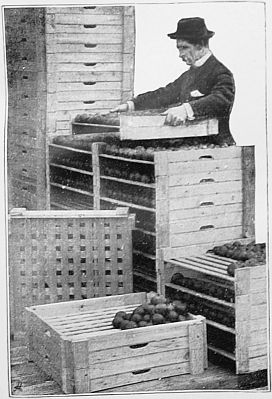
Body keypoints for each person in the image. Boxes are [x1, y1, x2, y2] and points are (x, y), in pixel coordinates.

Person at [111, 17, 236, 145]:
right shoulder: (188, 75)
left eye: (184, 48)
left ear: (200, 46)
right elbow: (164, 94)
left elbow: (221, 100)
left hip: (218, 148)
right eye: (178, 48)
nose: (180, 54)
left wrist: (185, 110)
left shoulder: (221, 73)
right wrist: (131, 105)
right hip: (193, 146)